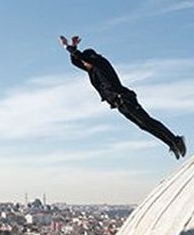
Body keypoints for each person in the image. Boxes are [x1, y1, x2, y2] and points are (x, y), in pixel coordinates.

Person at [59, 35, 187, 159]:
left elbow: (79, 57)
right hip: (118, 103)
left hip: (124, 98)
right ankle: (171, 144)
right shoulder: (92, 70)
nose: (84, 65)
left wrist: (67, 47)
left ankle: (176, 140)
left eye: (85, 62)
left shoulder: (100, 63)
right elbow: (75, 61)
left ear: (90, 59)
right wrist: (73, 47)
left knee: (147, 121)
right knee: (143, 125)